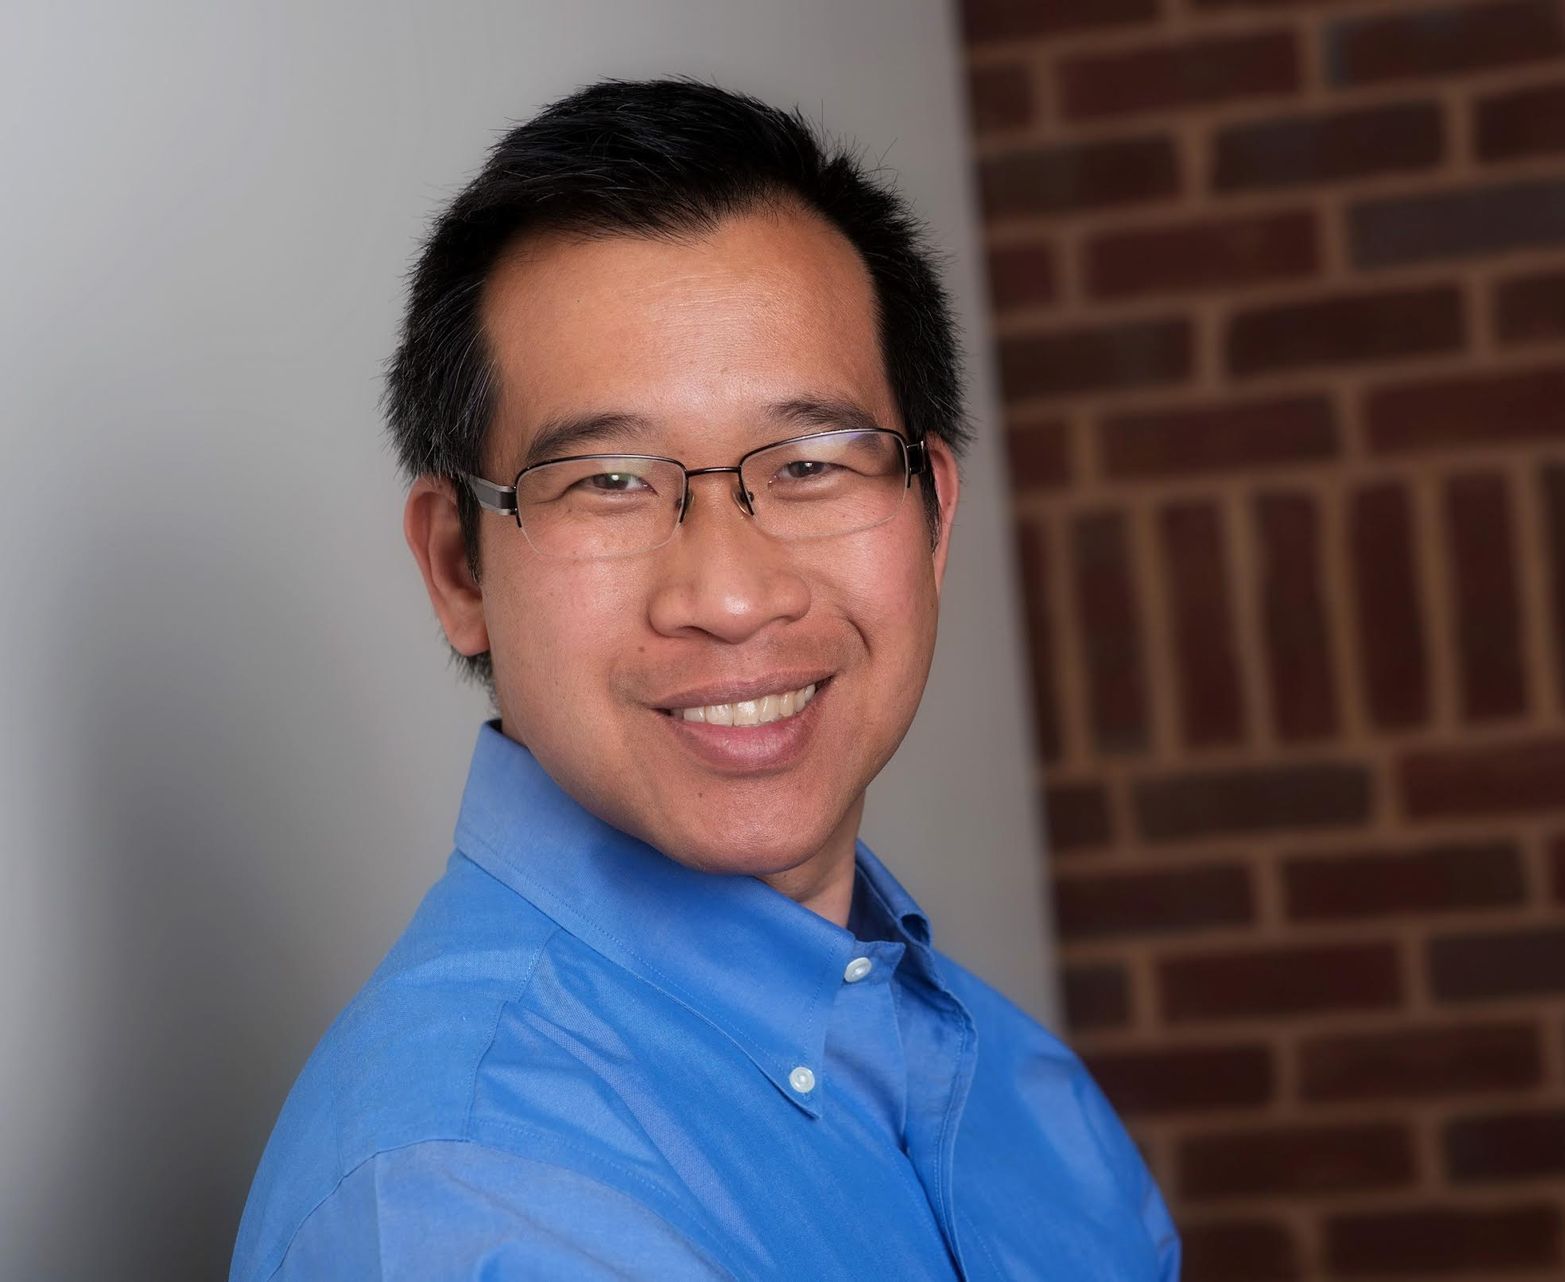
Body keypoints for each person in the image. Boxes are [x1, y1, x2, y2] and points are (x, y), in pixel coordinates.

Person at [229, 77, 1181, 1281]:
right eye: (609, 484)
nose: (730, 596)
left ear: (931, 515)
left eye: (811, 465)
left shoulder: (1010, 1077)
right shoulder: (465, 1205)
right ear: (456, 564)